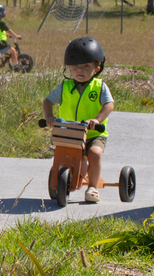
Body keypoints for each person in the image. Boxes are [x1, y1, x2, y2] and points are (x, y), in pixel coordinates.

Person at [42, 36, 114, 203]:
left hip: (93, 134)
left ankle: (92, 188)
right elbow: (47, 101)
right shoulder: (65, 87)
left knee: (94, 154)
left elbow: (109, 105)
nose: (79, 71)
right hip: (70, 133)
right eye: (75, 67)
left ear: (97, 68)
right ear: (68, 68)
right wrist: (49, 117)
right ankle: (60, 181)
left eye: (86, 66)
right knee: (65, 156)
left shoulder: (99, 86)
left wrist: (97, 119)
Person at [0, 4, 22, 69]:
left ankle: (10, 65)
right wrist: (16, 36)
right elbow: (8, 30)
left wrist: (8, 36)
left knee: (7, 53)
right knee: (13, 51)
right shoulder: (0, 23)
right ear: (0, 14)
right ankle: (16, 66)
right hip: (0, 43)